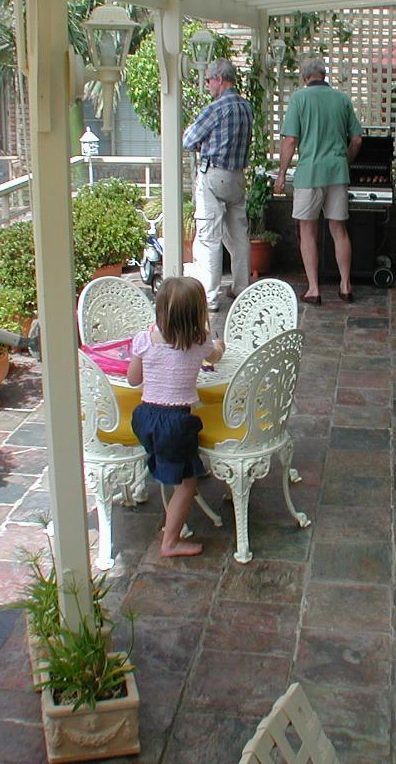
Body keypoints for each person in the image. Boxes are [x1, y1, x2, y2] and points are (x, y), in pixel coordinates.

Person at [126, 276, 224, 557]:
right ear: (197, 315)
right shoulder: (200, 342)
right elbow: (215, 357)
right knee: (187, 483)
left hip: (145, 418)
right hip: (176, 423)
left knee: (174, 466)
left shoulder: (144, 340)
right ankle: (170, 541)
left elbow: (133, 380)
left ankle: (168, 517)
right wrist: (220, 345)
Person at [273, 55, 362, 304]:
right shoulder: (342, 100)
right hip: (337, 172)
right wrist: (345, 161)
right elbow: (357, 139)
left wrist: (281, 173)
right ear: (324, 75)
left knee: (308, 231)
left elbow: (290, 140)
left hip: (309, 173)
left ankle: (314, 289)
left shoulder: (300, 99)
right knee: (339, 230)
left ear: (305, 78)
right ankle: (345, 286)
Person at [183, 57, 252, 312]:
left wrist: (203, 144)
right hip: (237, 177)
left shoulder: (215, 109)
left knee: (209, 237)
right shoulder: (246, 107)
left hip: (213, 176)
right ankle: (242, 288)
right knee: (239, 235)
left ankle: (210, 297)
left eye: (209, 80)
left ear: (219, 79)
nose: (208, 85)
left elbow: (188, 139)